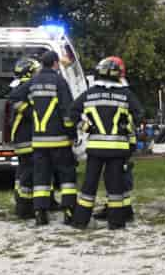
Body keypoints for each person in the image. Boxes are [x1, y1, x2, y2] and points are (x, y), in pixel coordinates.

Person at [71, 56, 143, 230]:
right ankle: (116, 222)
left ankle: (80, 221)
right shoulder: (125, 94)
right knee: (115, 186)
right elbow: (139, 114)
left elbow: (72, 111)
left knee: (89, 185)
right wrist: (126, 127)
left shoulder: (90, 93)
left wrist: (85, 126)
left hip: (96, 148)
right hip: (117, 148)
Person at [28, 50, 77, 226]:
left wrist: (27, 113)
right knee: (66, 175)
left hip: (39, 140)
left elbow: (15, 96)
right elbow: (67, 112)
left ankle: (40, 213)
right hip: (59, 139)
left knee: (41, 177)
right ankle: (69, 212)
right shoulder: (60, 81)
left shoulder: (32, 82)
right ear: (55, 63)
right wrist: (72, 134)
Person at [7, 56, 40, 219]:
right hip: (27, 136)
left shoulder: (18, 87)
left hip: (21, 136)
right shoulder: (25, 89)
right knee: (28, 172)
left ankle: (22, 201)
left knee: (22, 172)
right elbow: (29, 110)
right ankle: (25, 208)